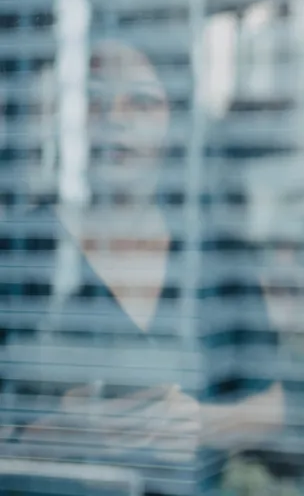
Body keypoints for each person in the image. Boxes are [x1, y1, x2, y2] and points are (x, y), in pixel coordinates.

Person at [0, 41, 284, 493]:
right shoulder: (25, 246)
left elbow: (273, 406)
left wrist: (196, 423)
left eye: (142, 101)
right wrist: (65, 433)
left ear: (174, 121)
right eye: (94, 100)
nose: (116, 117)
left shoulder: (212, 251)